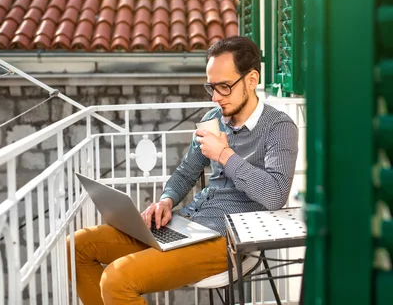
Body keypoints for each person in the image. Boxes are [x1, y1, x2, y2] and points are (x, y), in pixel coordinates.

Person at [68, 36, 299, 305]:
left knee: (117, 279)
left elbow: (274, 195)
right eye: (211, 88)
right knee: (78, 246)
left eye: (224, 87)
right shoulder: (213, 120)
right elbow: (186, 172)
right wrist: (167, 200)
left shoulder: (279, 127)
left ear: (251, 80)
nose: (215, 98)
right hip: (187, 224)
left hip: (228, 238)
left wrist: (224, 155)